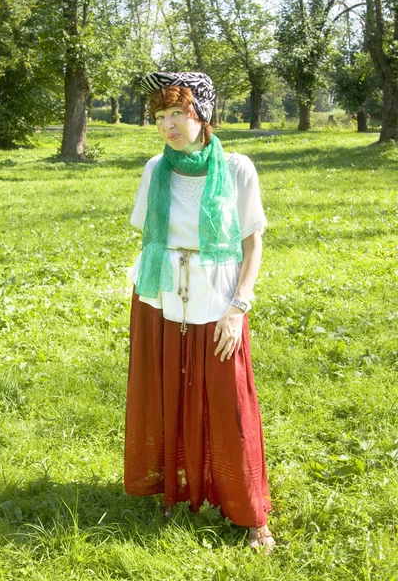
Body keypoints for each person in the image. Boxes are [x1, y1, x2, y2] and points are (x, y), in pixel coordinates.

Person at [124, 72, 275, 553]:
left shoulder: (236, 169)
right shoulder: (155, 169)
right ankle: (176, 487)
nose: (168, 125)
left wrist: (238, 307)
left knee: (228, 400)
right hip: (163, 294)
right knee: (168, 389)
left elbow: (253, 245)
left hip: (219, 297)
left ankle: (251, 512)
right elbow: (151, 238)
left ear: (201, 113)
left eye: (177, 113)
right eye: (160, 116)